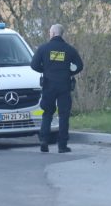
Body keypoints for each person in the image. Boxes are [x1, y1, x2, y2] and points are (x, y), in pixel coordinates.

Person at [30, 24, 83, 153]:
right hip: (64, 85)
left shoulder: (43, 48)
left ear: (53, 33)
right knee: (64, 115)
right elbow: (79, 65)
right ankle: (62, 145)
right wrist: (69, 72)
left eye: (50, 32)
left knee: (47, 113)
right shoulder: (69, 49)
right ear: (61, 34)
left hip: (48, 85)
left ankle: (44, 141)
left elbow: (34, 65)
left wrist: (45, 70)